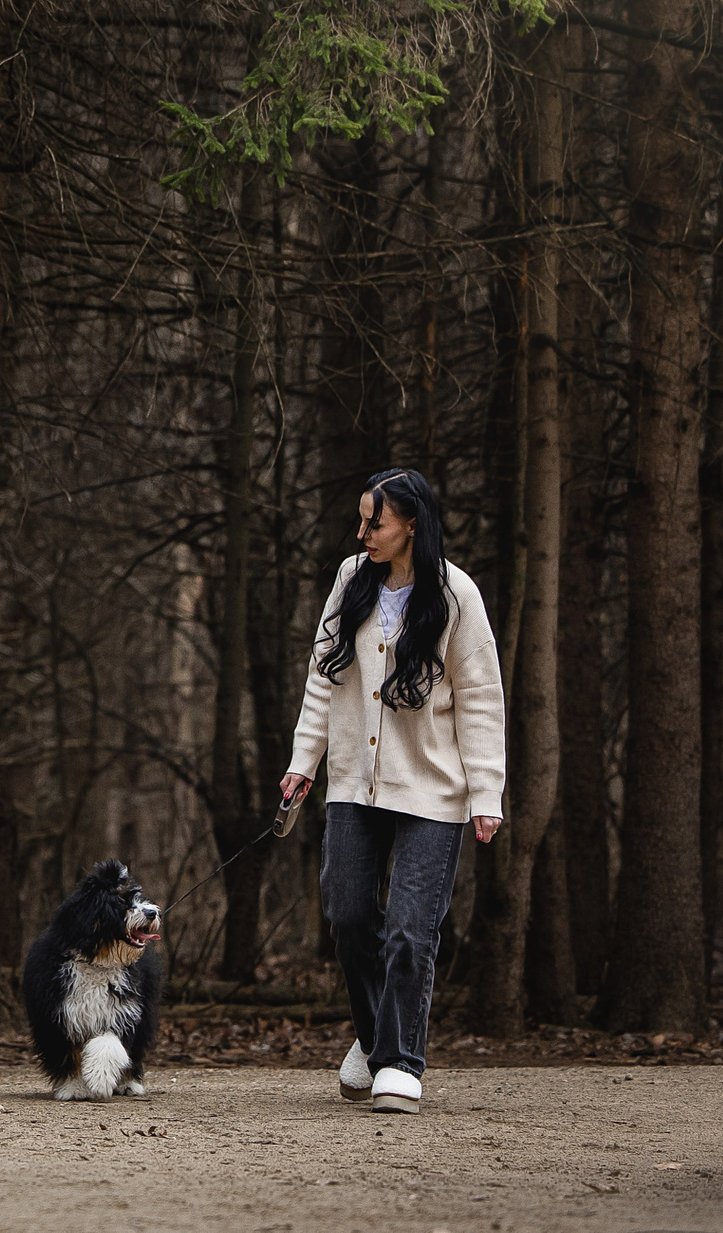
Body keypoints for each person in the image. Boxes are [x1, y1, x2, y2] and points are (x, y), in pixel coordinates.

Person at [279, 468, 505, 1115]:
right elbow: (324, 676)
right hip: (352, 782)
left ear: (410, 521)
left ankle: (399, 1062)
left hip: (433, 792)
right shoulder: (352, 579)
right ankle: (379, 1034)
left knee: (411, 931)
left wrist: (486, 792)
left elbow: (482, 699)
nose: (362, 533)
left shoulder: (456, 594)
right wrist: (304, 761)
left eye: (373, 521)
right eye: (361, 521)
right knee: (349, 917)